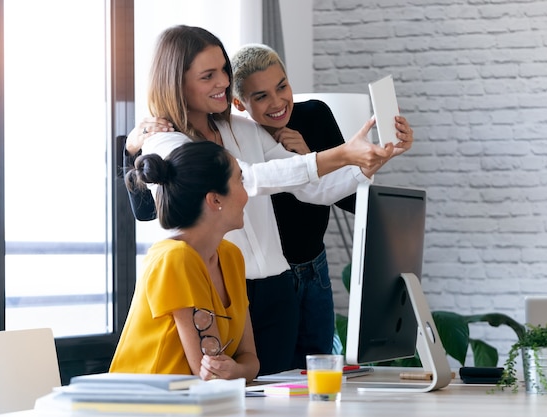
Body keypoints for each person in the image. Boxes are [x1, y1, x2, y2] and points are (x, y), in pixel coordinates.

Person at [122, 25, 399, 376]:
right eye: (208, 75)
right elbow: (248, 178)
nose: (223, 81)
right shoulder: (166, 145)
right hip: (225, 293)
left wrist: (369, 161)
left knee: (287, 398)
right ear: (176, 83)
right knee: (239, 397)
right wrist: (342, 154)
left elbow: (310, 188)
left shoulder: (243, 129)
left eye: (223, 69)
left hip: (278, 287)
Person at [229, 44, 414, 369]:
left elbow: (344, 196)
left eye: (282, 86)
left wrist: (324, 157)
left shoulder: (314, 114)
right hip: (269, 280)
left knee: (318, 373)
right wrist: (310, 163)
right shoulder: (242, 137)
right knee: (276, 374)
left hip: (314, 270)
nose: (277, 102)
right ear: (239, 103)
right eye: (260, 96)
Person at [110, 141, 259, 382]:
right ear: (215, 200)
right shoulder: (176, 258)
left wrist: (238, 371)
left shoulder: (231, 256)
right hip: (143, 405)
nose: (246, 193)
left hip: (194, 402)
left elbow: (249, 359)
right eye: (239, 181)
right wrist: (235, 372)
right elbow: (208, 372)